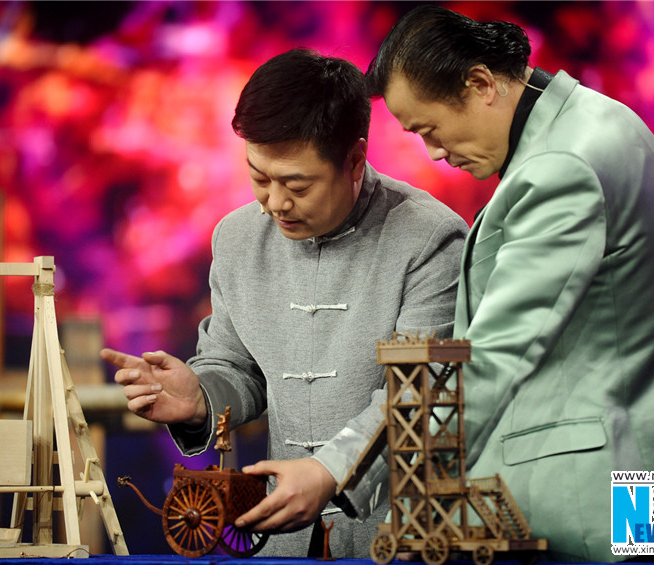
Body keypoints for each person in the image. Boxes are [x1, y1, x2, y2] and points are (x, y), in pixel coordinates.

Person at [359, 5, 654, 562]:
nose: (435, 153)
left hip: (626, 498)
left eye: (429, 129)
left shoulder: (561, 166)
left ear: (480, 83)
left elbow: (491, 359)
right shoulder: (602, 119)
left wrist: (354, 478)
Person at [101, 47, 468, 558]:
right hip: (285, 543)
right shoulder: (236, 239)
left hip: (399, 537)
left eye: (297, 184)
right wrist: (200, 397)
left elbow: (419, 394)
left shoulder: (430, 240)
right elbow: (236, 366)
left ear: (355, 160)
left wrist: (329, 470)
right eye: (259, 177)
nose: (275, 202)